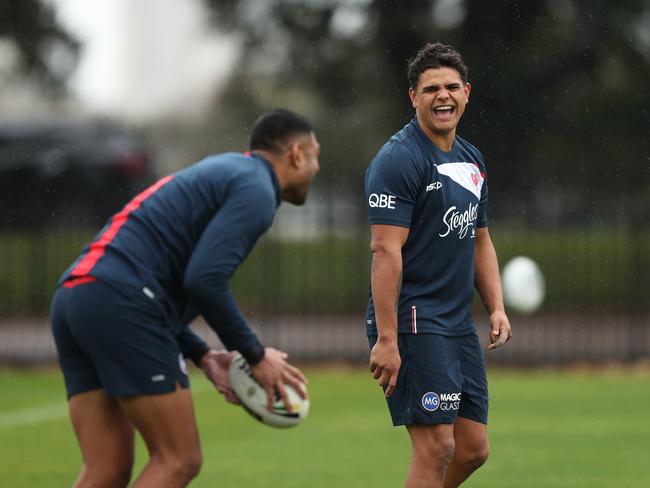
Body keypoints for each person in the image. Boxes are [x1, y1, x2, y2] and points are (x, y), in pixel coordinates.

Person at [50, 108, 320, 488]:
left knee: (105, 470)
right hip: (121, 301)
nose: (316, 167)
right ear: (296, 153)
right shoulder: (257, 190)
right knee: (178, 460)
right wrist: (255, 355)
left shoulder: (227, 171)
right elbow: (204, 280)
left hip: (77, 295)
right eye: (315, 156)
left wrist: (204, 355)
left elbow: (163, 280)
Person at [364, 43, 512, 487]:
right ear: (414, 97)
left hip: (456, 323)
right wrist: (387, 339)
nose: (442, 96)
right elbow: (384, 252)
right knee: (436, 447)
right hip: (413, 321)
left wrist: (497, 306)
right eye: (430, 89)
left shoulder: (471, 159)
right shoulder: (398, 160)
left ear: (467, 92)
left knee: (471, 449)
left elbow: (480, 239)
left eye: (451, 87)